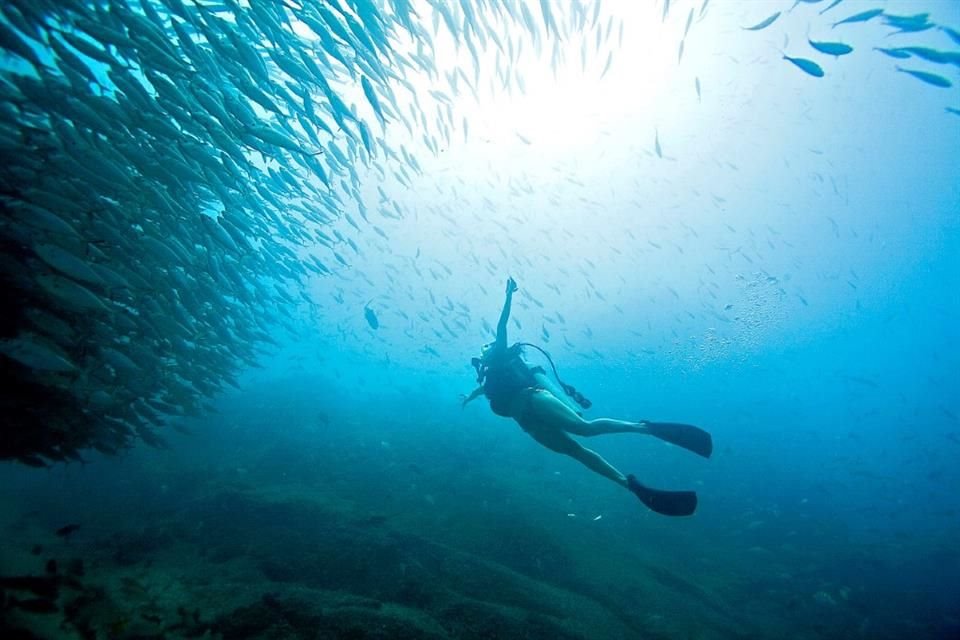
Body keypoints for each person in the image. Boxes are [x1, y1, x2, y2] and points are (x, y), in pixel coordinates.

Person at [462, 277, 712, 517]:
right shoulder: (490, 379)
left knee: (585, 429)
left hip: (533, 399)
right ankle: (630, 485)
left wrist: (508, 296)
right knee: (576, 452)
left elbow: (501, 325)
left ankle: (644, 427)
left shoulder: (501, 357)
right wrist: (469, 397)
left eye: (486, 347)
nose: (484, 350)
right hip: (528, 424)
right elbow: (485, 390)